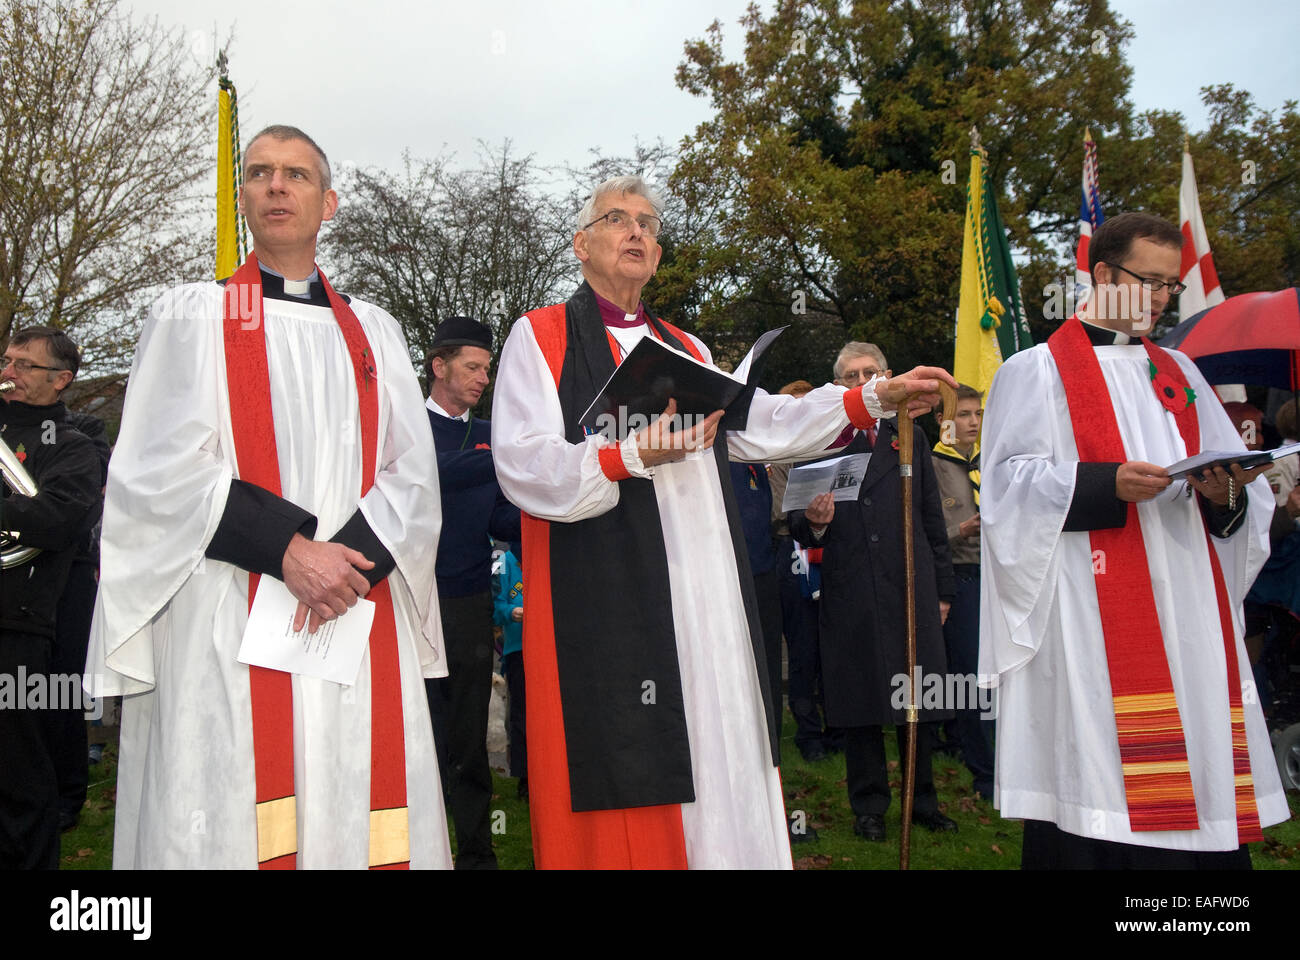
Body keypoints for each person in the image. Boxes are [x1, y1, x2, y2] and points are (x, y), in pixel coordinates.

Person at [490, 175, 955, 869]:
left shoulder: (686, 346)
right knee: (632, 740)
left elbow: (763, 425)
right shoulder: (542, 336)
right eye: (617, 219)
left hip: (706, 589)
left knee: (719, 733)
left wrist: (869, 398)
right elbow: (522, 466)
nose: (637, 231)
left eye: (648, 222)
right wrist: (625, 455)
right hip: (613, 592)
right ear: (581, 245)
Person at [86, 125, 452, 869]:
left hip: (353, 605)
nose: (277, 186)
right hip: (230, 603)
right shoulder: (190, 316)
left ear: (329, 202)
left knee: (353, 783)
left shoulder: (376, 332)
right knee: (228, 801)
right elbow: (154, 470)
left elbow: (414, 477)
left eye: (296, 174)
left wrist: (340, 568)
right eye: (259, 173)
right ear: (244, 197)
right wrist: (289, 551)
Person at [979, 211, 1289, 868]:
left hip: (1188, 614)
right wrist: (1103, 483)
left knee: (1195, 759)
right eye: (1145, 281)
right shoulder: (1034, 372)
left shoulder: (1179, 373)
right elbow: (1006, 490)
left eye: (1168, 286)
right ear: (1100, 273)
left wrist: (1223, 491)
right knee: (1098, 778)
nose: (1157, 299)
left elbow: (1245, 495)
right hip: (1089, 611)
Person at [789, 342, 958, 842]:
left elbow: (932, 518)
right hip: (850, 589)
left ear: (887, 375)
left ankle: (922, 800)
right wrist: (814, 523)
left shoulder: (910, 436)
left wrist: (942, 590)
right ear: (838, 385)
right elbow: (797, 521)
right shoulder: (821, 438)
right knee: (859, 699)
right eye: (850, 375)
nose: (861, 380)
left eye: (870, 372)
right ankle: (869, 806)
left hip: (909, 585)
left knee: (918, 700)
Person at [1, 327, 102, 869]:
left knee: (19, 779)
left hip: (21, 624)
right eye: (7, 359)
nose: (9, 371)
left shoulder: (73, 446)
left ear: (61, 381)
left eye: (25, 365)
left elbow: (60, 518)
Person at [423, 316, 521, 869]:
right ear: (439, 366)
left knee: (468, 732)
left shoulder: (490, 435)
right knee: (419, 728)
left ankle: (477, 855)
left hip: (466, 602)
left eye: (488, 368)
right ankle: (417, 844)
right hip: (407, 599)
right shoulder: (403, 427)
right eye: (473, 367)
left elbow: (504, 514)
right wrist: (509, 457)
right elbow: (428, 472)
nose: (484, 377)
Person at [769, 380, 839, 763]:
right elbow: (780, 510)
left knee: (830, 641)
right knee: (801, 647)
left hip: (828, 550)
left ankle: (838, 727)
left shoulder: (829, 450)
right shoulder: (773, 455)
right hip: (788, 550)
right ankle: (808, 733)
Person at [931, 383, 994, 801]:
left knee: (998, 673)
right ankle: (985, 772)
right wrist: (961, 529)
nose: (972, 423)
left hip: (998, 574)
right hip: (959, 574)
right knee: (969, 676)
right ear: (942, 421)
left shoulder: (990, 459)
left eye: (977, 414)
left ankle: (1005, 755)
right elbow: (923, 530)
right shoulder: (931, 463)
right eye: (963, 415)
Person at [490, 541, 527, 800]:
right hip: (518, 651)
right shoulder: (504, 563)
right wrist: (510, 612)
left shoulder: (547, 555)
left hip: (552, 650)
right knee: (522, 716)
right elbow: (494, 606)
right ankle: (526, 780)